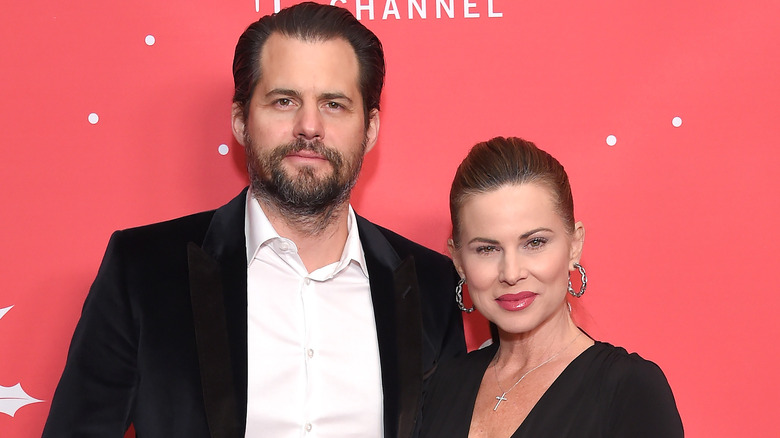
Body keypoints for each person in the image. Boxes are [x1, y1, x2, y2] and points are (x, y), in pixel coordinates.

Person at [43, 3, 465, 437]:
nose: (308, 126)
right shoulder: (144, 271)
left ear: (370, 128)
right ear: (240, 121)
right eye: (284, 101)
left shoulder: (430, 286)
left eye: (334, 104)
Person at [419, 137, 683, 437]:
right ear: (458, 261)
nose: (512, 273)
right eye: (487, 249)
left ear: (574, 245)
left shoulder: (629, 390)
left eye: (535, 243)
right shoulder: (442, 385)